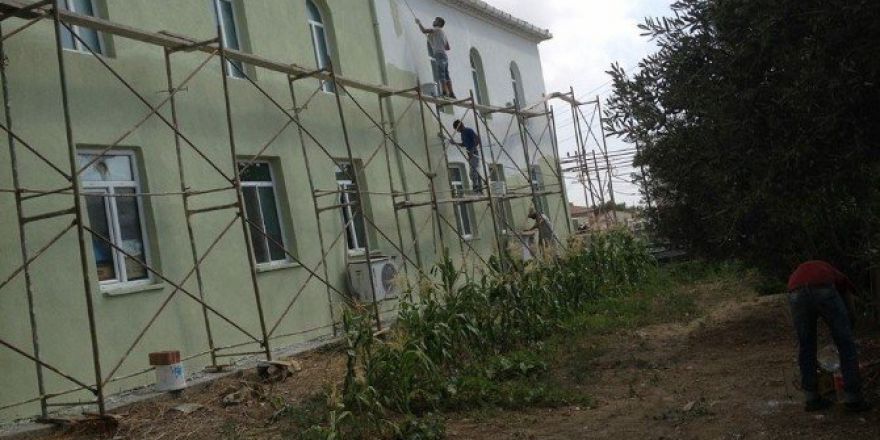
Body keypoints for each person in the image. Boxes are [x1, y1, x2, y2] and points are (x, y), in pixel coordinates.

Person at [787, 260, 871, 412]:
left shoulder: (801, 271)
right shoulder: (836, 274)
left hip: (795, 293)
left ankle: (811, 398)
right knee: (845, 344)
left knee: (806, 346)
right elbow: (847, 300)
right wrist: (850, 323)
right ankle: (853, 399)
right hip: (822, 288)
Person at [416, 16, 455, 99]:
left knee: (441, 74)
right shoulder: (443, 33)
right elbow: (447, 47)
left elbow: (424, 31)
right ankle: (451, 93)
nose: (434, 21)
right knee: (446, 75)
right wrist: (435, 40)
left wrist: (419, 23)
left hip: (439, 54)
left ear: (439, 23)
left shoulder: (437, 29)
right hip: (444, 55)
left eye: (436, 21)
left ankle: (444, 92)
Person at [451, 120, 483, 194]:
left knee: (473, 172)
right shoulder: (462, 134)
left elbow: (476, 140)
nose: (457, 131)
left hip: (474, 153)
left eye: (457, 129)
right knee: (473, 172)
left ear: (460, 126)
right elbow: (464, 144)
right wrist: (455, 143)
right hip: (470, 153)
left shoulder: (468, 131)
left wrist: (472, 151)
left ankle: (477, 189)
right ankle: (477, 188)